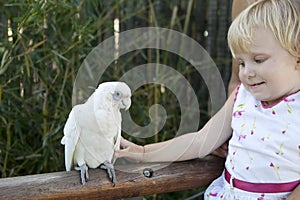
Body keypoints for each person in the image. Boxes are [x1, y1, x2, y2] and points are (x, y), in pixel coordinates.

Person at [115, 0, 300, 199]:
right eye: (241, 63)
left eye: (258, 60)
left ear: (297, 56)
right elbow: (201, 141)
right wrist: (143, 152)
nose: (247, 73)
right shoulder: (244, 96)